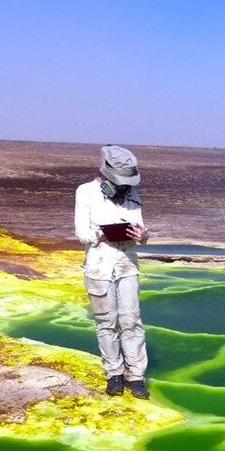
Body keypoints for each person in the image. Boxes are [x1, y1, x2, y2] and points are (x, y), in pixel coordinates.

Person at [73, 145, 150, 398]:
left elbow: (141, 229)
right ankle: (114, 373)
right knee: (107, 322)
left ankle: (136, 375)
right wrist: (103, 234)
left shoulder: (133, 193)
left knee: (131, 320)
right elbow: (81, 233)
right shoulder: (86, 192)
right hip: (99, 265)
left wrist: (143, 236)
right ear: (105, 173)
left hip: (127, 263)